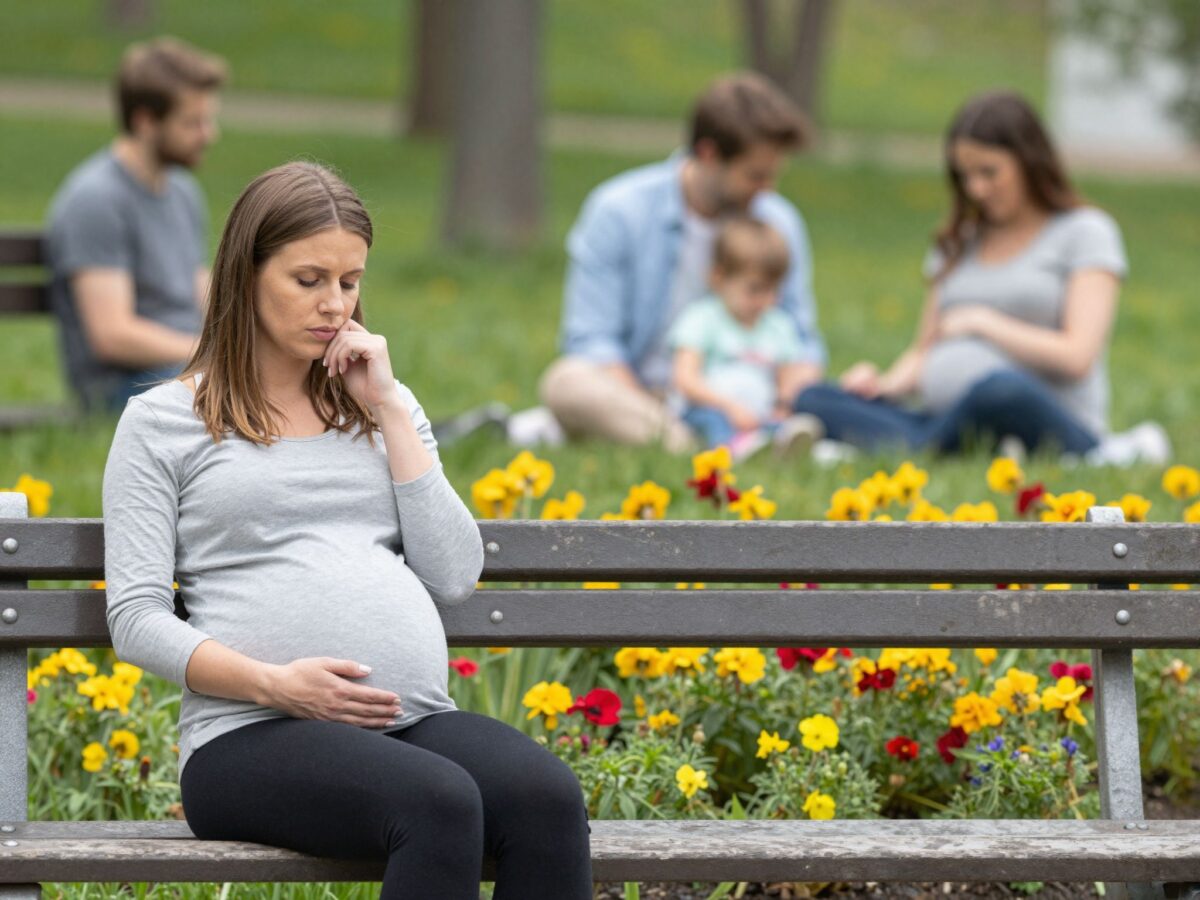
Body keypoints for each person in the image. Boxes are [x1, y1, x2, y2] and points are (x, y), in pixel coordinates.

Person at [102, 162, 592, 899]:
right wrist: (276, 684)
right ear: (246, 275)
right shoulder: (164, 422)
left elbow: (454, 574)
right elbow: (136, 616)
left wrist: (388, 408)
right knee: (438, 803)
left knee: (546, 799)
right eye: (309, 280)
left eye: (350, 281)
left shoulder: (383, 405)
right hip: (246, 736)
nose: (334, 304)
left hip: (409, 723)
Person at [792, 90, 1170, 465]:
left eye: (989, 172)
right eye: (964, 176)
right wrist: (883, 386)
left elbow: (1077, 356)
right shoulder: (957, 242)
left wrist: (985, 323)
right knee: (812, 397)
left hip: (1045, 415)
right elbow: (925, 350)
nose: (976, 188)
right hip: (944, 416)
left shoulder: (1085, 232)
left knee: (998, 391)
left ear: (1029, 161)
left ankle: (883, 445)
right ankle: (940, 445)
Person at [528, 71, 827, 452]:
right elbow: (592, 341)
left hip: (750, 405)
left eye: (772, 176)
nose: (767, 189)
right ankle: (696, 444)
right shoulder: (620, 211)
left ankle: (736, 441)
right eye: (755, 176)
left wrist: (783, 403)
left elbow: (801, 339)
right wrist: (652, 409)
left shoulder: (778, 221)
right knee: (566, 381)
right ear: (708, 154)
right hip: (644, 398)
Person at [45, 36, 226, 413]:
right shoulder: (96, 199)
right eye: (192, 123)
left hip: (185, 366)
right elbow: (112, 335)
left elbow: (202, 290)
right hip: (121, 386)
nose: (209, 135)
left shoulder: (182, 190)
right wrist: (210, 354)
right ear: (145, 122)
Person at [669, 217, 824, 460]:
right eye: (755, 289)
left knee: (785, 424)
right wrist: (729, 407)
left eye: (773, 290)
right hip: (710, 406)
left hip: (758, 413)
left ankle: (787, 445)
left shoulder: (777, 325)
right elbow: (685, 379)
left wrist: (782, 406)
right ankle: (732, 449)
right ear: (719, 278)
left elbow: (786, 374)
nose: (766, 300)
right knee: (712, 422)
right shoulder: (702, 319)